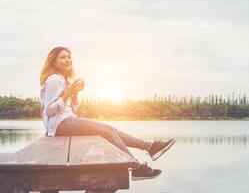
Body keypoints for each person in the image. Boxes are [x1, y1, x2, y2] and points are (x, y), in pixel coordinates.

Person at [39, 46, 175, 180]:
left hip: (67, 121)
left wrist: (74, 93)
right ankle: (136, 167)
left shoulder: (64, 80)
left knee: (110, 130)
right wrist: (69, 92)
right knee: (108, 130)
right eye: (63, 57)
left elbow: (73, 110)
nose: (68, 60)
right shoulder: (54, 80)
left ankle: (149, 148)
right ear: (53, 61)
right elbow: (49, 111)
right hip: (60, 125)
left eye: (69, 57)